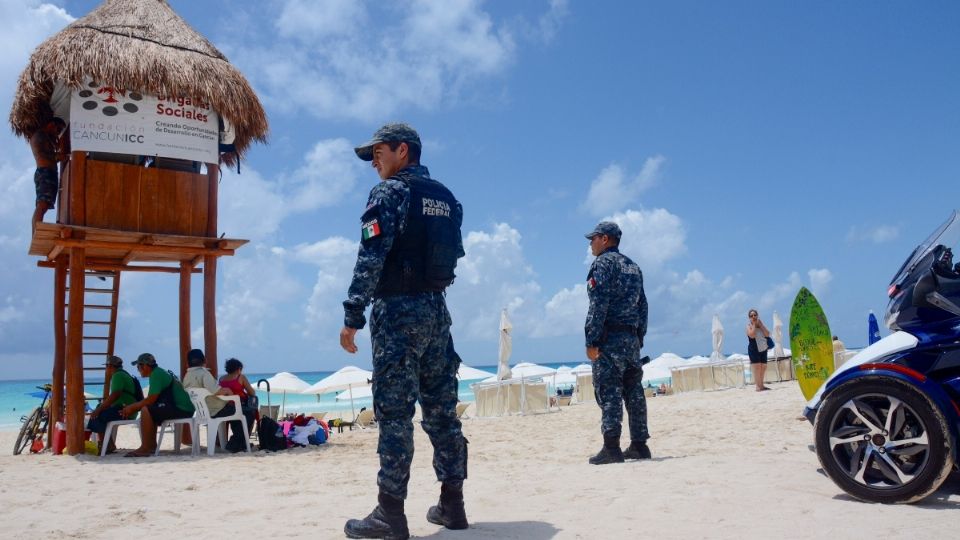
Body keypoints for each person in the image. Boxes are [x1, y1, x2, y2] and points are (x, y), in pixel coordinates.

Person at [340, 123, 468, 539]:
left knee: (395, 415)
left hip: (397, 312)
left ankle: (390, 514)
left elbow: (371, 256)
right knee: (442, 413)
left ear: (403, 150)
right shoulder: (448, 199)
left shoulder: (389, 193)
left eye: (378, 152)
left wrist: (352, 314)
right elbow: (452, 258)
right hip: (437, 313)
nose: (374, 161)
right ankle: (453, 505)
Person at [584, 221, 651, 465]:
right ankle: (639, 445)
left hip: (610, 339)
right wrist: (639, 336)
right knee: (634, 392)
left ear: (604, 238)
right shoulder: (633, 266)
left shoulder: (603, 264)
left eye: (593, 239)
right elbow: (643, 305)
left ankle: (611, 447)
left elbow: (598, 303)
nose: (591, 244)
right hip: (631, 338)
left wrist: (591, 339)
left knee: (609, 390)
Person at [120, 353, 195, 457]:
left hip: (182, 409)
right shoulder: (158, 372)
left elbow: (150, 400)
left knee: (146, 410)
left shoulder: (156, 374)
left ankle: (145, 448)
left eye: (138, 367)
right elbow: (152, 400)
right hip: (184, 408)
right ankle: (151, 446)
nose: (138, 370)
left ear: (145, 366)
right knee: (150, 410)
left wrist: (131, 407)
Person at [86, 355, 139, 454]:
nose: (106, 369)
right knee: (99, 411)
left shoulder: (117, 375)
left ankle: (105, 445)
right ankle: (107, 444)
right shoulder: (124, 374)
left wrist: (99, 409)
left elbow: (115, 395)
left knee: (97, 416)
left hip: (125, 411)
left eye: (106, 366)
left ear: (110, 366)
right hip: (128, 409)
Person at [182, 349, 239, 431]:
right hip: (216, 410)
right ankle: (238, 442)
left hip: (201, 412)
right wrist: (228, 391)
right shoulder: (204, 373)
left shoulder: (187, 377)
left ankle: (235, 442)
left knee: (236, 411)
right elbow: (216, 391)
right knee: (246, 412)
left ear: (188, 363)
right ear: (204, 360)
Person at [30, 117, 66, 228]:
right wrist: (57, 156)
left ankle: (36, 230)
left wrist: (58, 146)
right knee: (42, 205)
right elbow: (42, 154)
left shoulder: (46, 138)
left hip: (48, 173)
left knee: (44, 205)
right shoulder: (40, 135)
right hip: (45, 173)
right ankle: (35, 233)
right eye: (58, 129)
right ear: (51, 125)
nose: (58, 133)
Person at [218, 358, 256, 438]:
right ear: (238, 369)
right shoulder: (240, 377)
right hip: (239, 405)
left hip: (225, 406)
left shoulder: (221, 379)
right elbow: (252, 393)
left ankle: (237, 438)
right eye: (241, 369)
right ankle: (242, 440)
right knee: (252, 412)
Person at [746, 309, 772, 391]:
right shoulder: (748, 326)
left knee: (763, 367)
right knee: (757, 367)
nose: (753, 317)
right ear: (749, 318)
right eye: (751, 316)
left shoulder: (761, 325)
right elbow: (752, 335)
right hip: (754, 349)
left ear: (757, 316)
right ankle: (758, 386)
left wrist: (761, 325)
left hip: (763, 348)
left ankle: (761, 385)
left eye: (755, 315)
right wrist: (754, 325)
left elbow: (767, 334)